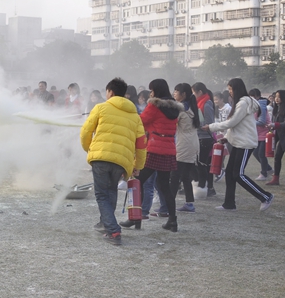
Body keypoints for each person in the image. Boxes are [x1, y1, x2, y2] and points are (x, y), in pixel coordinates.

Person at [80, 77, 147, 246]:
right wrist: (137, 165)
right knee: (111, 192)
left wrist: (89, 148)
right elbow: (141, 144)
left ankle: (113, 231)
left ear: (109, 92)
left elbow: (85, 131)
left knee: (102, 194)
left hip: (101, 158)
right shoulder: (135, 116)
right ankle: (105, 223)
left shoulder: (101, 108)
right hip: (122, 161)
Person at [202, 78, 274, 211]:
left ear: (237, 89)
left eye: (230, 89)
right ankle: (229, 204)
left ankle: (265, 196)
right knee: (229, 173)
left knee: (238, 174)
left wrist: (211, 127)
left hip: (245, 143)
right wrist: (226, 137)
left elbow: (232, 122)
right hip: (238, 142)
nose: (229, 92)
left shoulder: (244, 102)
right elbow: (235, 126)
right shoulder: (240, 102)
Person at [120, 78, 181, 232]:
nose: (151, 93)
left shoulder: (154, 105)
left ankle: (135, 218)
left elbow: (141, 122)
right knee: (164, 186)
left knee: (138, 181)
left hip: (154, 148)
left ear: (157, 91)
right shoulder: (175, 108)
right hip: (168, 149)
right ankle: (172, 221)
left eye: (152, 90)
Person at [171, 83, 200, 212]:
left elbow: (171, 123)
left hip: (183, 144)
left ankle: (168, 204)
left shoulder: (180, 108)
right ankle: (189, 203)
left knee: (175, 175)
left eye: (176, 91)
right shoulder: (193, 107)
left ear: (184, 95)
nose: (174, 93)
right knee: (185, 176)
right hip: (193, 143)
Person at [192, 82, 216, 197]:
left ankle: (203, 188)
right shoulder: (199, 103)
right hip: (198, 136)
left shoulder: (206, 104)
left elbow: (209, 123)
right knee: (199, 164)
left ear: (200, 92)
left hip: (205, 138)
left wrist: (195, 123)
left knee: (202, 164)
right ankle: (203, 187)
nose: (193, 95)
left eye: (194, 93)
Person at [248, 89, 272, 181]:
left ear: (258, 97)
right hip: (257, 134)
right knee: (256, 153)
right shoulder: (254, 106)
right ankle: (269, 169)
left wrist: (250, 123)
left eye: (253, 97)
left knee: (261, 154)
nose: (251, 99)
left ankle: (264, 173)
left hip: (264, 133)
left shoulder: (261, 106)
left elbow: (262, 122)